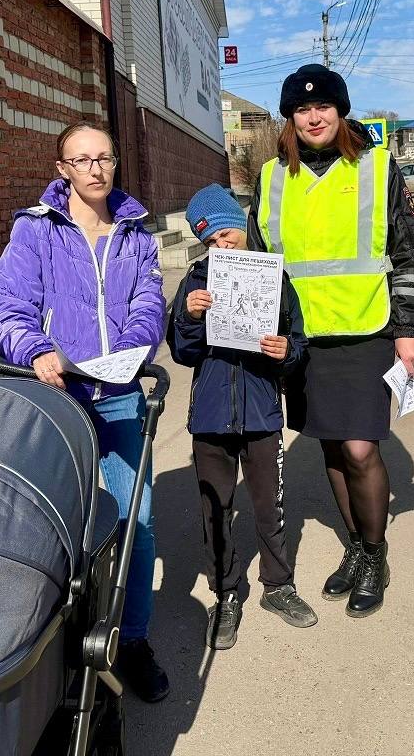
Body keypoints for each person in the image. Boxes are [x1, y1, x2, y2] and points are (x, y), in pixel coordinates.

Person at [0, 123, 170, 702]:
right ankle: (43, 645)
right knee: (54, 525)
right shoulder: (36, 231)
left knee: (134, 522)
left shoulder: (136, 233)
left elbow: (148, 302)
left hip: (116, 395)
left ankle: (132, 642)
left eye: (104, 159)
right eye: (81, 159)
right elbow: (10, 308)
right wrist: (37, 349)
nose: (95, 169)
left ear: (115, 164)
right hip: (58, 397)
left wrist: (131, 352)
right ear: (63, 166)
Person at [248, 63, 414, 618]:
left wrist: (408, 329)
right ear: (290, 119)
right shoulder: (272, 177)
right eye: (302, 109)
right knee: (330, 445)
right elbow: (260, 262)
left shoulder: (378, 167)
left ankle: (375, 555)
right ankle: (355, 548)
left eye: (323, 106)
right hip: (302, 343)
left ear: (340, 110)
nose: (313, 115)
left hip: (365, 329)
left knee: (359, 448)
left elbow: (409, 252)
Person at [166, 183, 317, 649]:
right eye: (210, 240)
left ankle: (278, 585)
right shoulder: (195, 281)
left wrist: (285, 351)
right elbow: (183, 353)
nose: (221, 245)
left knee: (269, 505)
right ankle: (226, 593)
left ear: (242, 226)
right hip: (210, 416)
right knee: (216, 510)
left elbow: (299, 341)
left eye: (226, 234)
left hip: (261, 412)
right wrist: (189, 317)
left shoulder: (275, 277)